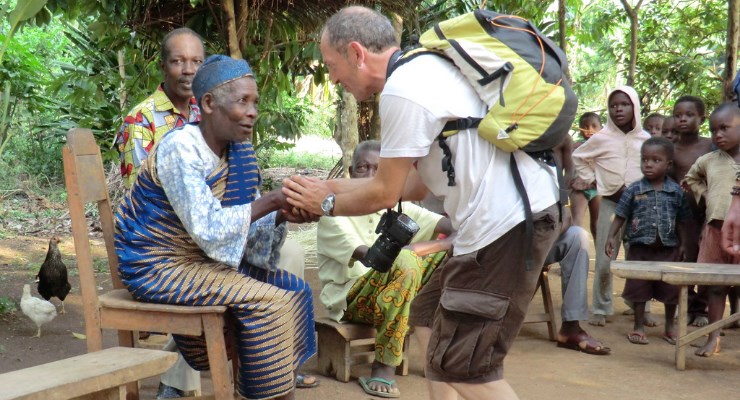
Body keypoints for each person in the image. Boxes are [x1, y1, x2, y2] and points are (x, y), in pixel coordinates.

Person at [283, 7, 561, 400]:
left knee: (470, 371)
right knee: (427, 319)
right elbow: (409, 187)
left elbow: (383, 193)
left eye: (332, 65)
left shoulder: (404, 88)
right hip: (497, 223)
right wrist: (321, 186)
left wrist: (323, 203)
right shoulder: (423, 71)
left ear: (357, 53)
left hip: (507, 224)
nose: (333, 78)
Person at [114, 55, 317, 400]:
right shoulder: (181, 148)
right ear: (208, 103)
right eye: (242, 101)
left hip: (200, 262)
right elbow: (209, 229)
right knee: (270, 304)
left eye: (255, 102)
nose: (252, 111)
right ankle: (273, 395)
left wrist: (282, 213)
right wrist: (272, 200)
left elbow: (241, 230)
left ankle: (266, 386)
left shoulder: (237, 153)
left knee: (294, 290)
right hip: (156, 266)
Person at [317, 140, 451, 397]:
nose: (368, 176)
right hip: (352, 299)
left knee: (454, 255)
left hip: (396, 290)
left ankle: (439, 355)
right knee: (405, 260)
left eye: (377, 170)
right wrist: (414, 253)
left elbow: (452, 228)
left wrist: (447, 243)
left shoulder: (398, 206)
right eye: (361, 168)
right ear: (350, 171)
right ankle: (383, 367)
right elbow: (374, 259)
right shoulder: (333, 212)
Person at [571, 86, 650, 327]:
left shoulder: (645, 140)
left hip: (640, 208)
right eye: (614, 105)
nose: (618, 109)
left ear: (634, 107)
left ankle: (639, 307)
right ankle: (601, 307)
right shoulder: (601, 138)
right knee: (605, 258)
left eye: (624, 104)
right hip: (610, 206)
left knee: (639, 259)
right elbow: (578, 157)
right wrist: (592, 178)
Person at [606, 137, 688, 345]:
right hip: (639, 249)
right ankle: (638, 327)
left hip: (668, 249)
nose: (648, 164)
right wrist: (610, 237)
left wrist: (684, 244)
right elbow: (620, 215)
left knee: (671, 290)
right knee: (639, 289)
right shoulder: (634, 189)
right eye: (644, 160)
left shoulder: (676, 191)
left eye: (655, 160)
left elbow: (682, 220)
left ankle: (670, 327)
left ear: (668, 164)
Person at [682, 103, 740, 357]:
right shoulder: (708, 161)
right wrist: (705, 194)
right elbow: (690, 178)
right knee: (715, 287)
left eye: (725, 128)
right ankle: (713, 337)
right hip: (715, 232)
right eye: (714, 129)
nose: (718, 135)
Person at [116, 28, 204, 188]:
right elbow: (140, 191)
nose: (189, 70)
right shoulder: (140, 120)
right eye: (178, 61)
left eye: (197, 61)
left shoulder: (204, 111)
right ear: (163, 67)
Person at [671, 95, 713, 327]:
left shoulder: (710, 146)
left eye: (689, 115)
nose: (683, 119)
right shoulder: (671, 149)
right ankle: (686, 305)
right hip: (682, 216)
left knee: (707, 259)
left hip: (708, 213)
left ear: (701, 118)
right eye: (678, 115)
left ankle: (701, 309)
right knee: (684, 258)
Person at [570, 112, 602, 239]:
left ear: (601, 128)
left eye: (594, 126)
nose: (590, 130)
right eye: (585, 126)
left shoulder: (605, 145)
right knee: (576, 222)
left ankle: (601, 257)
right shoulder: (576, 146)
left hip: (597, 188)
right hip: (579, 187)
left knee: (597, 224)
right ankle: (574, 253)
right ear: (579, 128)